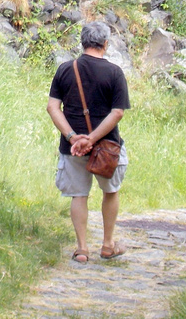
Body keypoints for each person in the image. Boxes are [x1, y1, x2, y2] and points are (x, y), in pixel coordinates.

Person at [47, 20, 130, 262]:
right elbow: (118, 112)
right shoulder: (115, 73)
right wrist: (93, 138)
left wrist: (74, 137)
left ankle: (82, 249)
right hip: (107, 147)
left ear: (83, 42)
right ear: (105, 44)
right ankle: (107, 245)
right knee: (110, 192)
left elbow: (53, 107)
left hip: (73, 148)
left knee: (79, 195)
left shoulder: (65, 69)